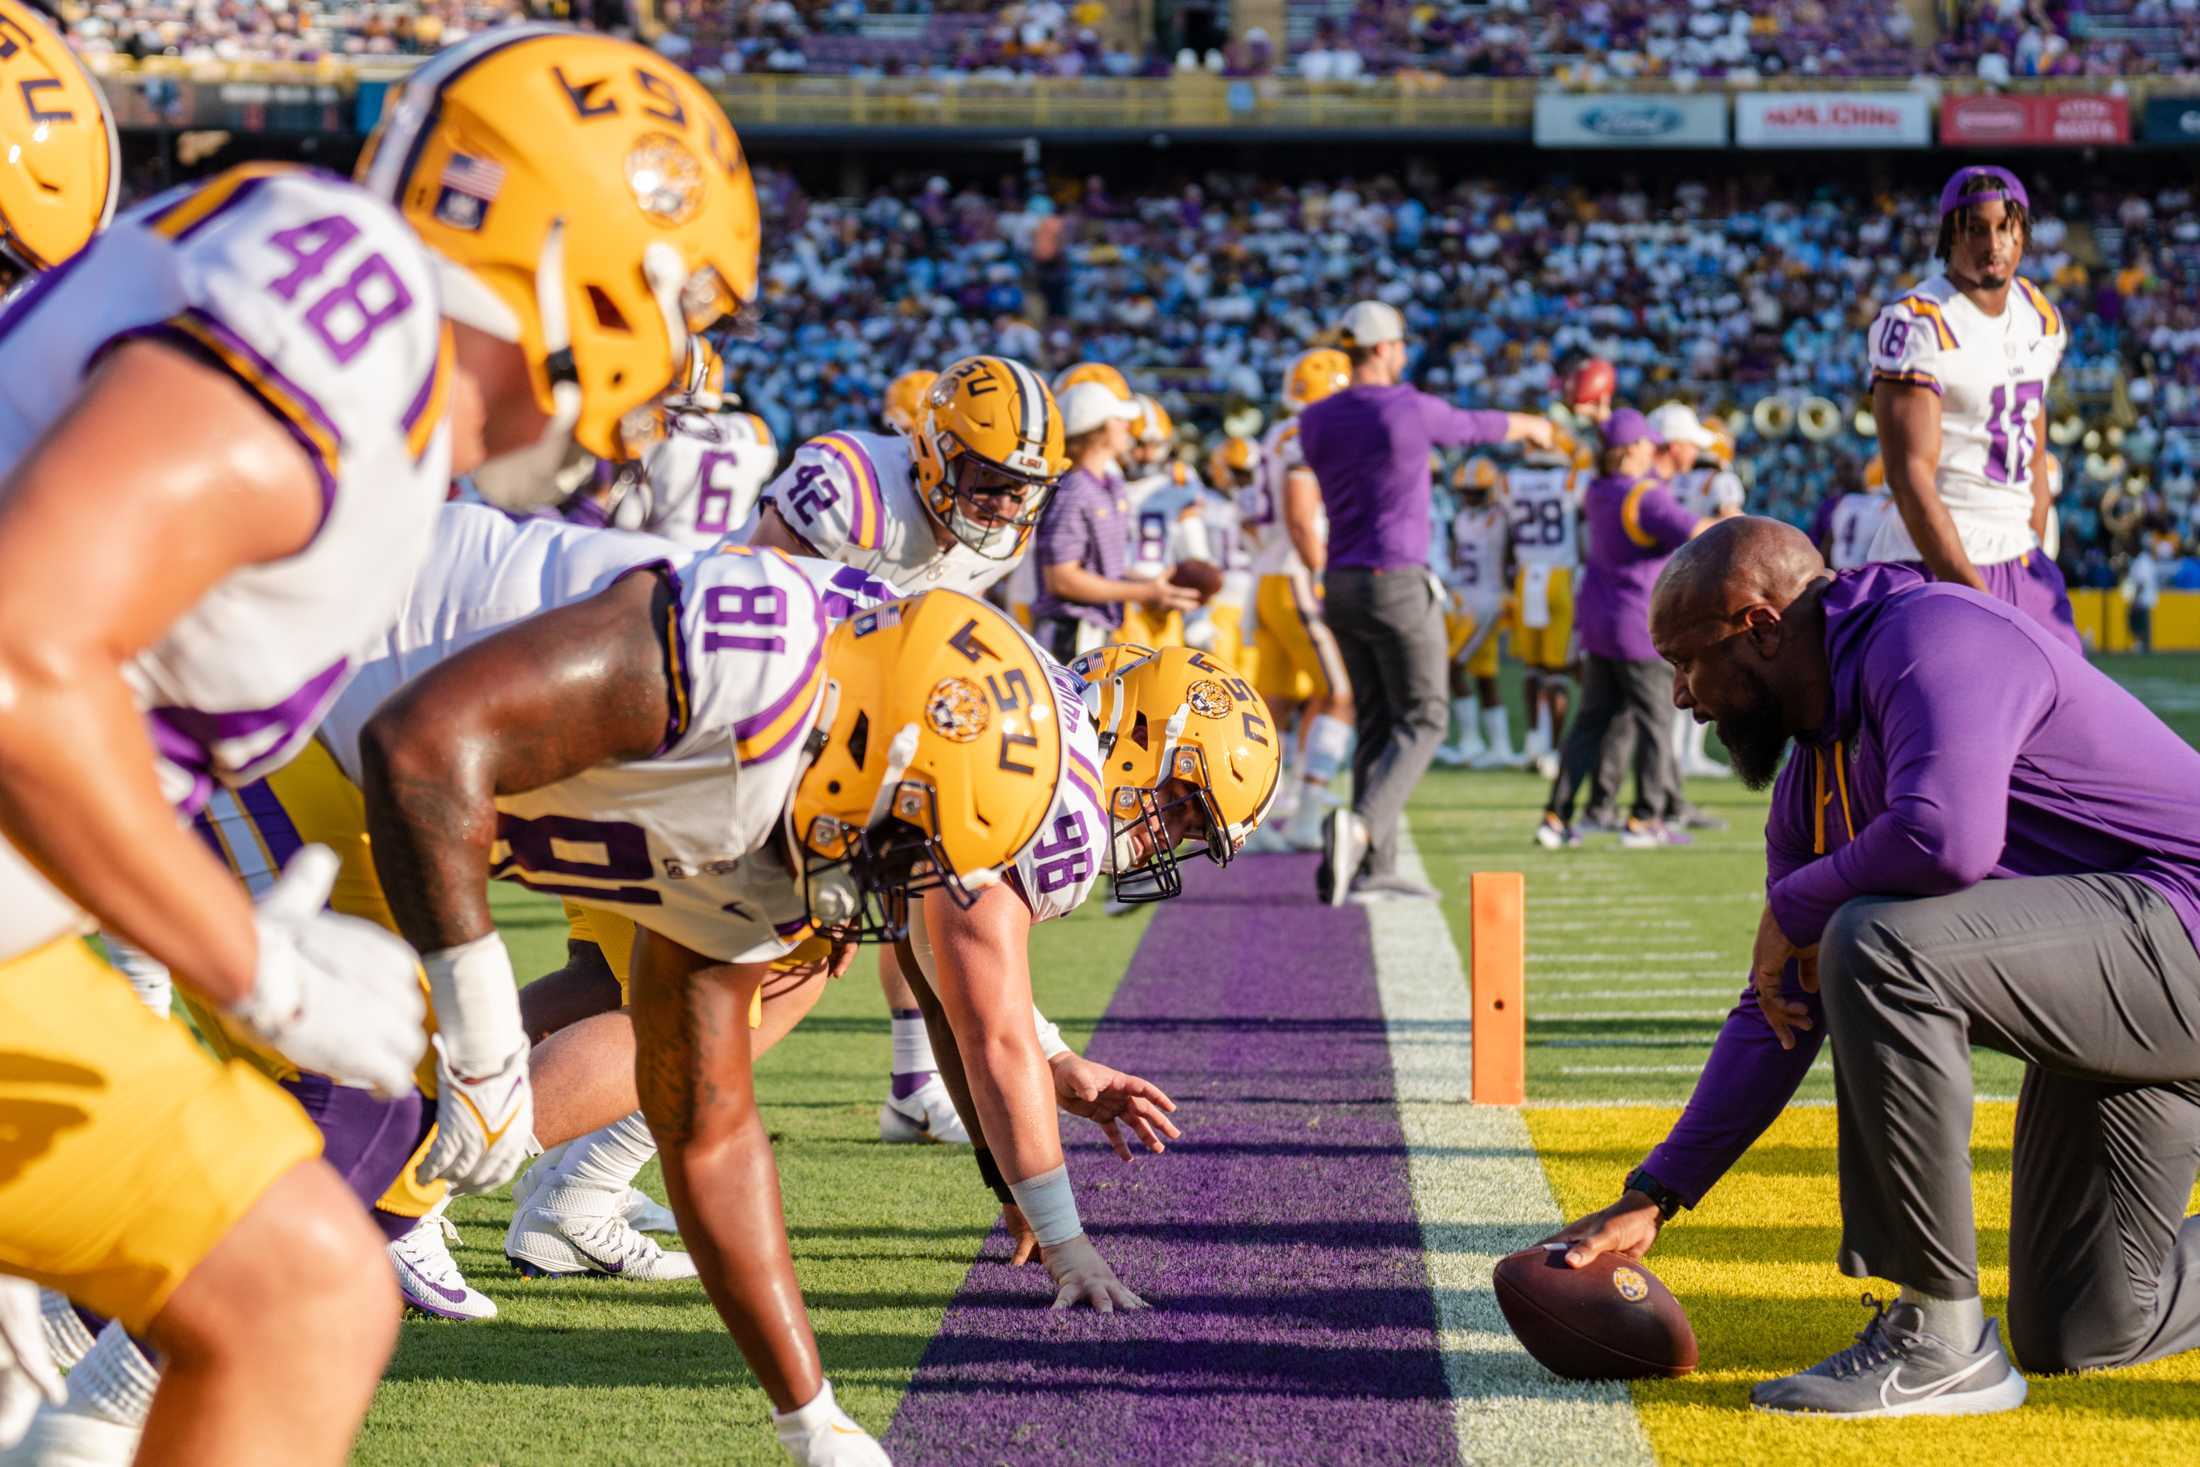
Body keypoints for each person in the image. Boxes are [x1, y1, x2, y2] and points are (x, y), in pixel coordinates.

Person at [0, 21, 762, 1465]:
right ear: (598, 271)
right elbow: (21, 659)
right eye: (681, 309)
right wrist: (256, 966)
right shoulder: (348, 341)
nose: (671, 365)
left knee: (301, 1284)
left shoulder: (377, 380)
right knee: (292, 1285)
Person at [1548, 517, 2200, 1417]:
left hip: (2180, 929)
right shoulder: (1809, 781)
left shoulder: (1933, 635)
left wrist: (1797, 905)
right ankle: (1983, 1334)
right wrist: (1655, 1194)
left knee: (1878, 940)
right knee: (2088, 1329)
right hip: (2127, 986)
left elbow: (1947, 839)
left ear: (1762, 628)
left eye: (1688, 661)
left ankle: (1938, 1337)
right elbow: (1779, 1004)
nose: (1680, 698)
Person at [1297, 300, 1550, 903]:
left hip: (1342, 581)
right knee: (1427, 716)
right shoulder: (1405, 408)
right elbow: (1475, 427)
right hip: (1397, 579)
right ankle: (1359, 831)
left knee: (1379, 722)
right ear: (1384, 348)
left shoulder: (1316, 419)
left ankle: (1372, 867)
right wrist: (1534, 426)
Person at [1868, 165, 2079, 651]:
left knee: (2067, 705)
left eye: (2005, 227)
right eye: (1976, 229)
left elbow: (2033, 436)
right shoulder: (1919, 321)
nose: (1993, 243)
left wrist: (2031, 540)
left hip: (2018, 554)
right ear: (1950, 235)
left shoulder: (2037, 312)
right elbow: (1908, 477)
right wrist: (1970, 593)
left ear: (2023, 232)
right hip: (1936, 559)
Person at [1537, 410, 1707, 849]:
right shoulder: (1644, 496)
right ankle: (1645, 818)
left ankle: (1556, 816)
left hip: (1598, 621)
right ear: (1632, 451)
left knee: (1590, 723)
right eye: (1647, 444)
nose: (1654, 449)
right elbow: (1697, 533)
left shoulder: (1599, 489)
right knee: (1656, 724)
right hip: (1635, 622)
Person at [1246, 348, 1355, 853]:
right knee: (1339, 691)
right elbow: (1299, 515)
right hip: (1294, 575)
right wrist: (1325, 573)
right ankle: (1309, 813)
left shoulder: (1277, 433)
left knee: (1277, 706)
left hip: (1269, 575)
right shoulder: (1307, 435)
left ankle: (1256, 814)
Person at [1029, 379, 1196, 662]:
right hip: (1071, 628)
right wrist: (1144, 591)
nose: (1128, 427)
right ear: (1097, 427)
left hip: (1099, 626)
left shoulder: (1110, 485)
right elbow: (1062, 579)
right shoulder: (1074, 489)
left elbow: (1107, 567)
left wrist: (1157, 584)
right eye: (1119, 419)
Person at [1433, 456, 1519, 768]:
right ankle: (1496, 746)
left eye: (1476, 492)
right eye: (1466, 492)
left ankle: (1474, 741)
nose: (1469, 498)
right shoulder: (1460, 519)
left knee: (1451, 666)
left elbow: (1512, 554)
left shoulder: (1501, 518)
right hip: (1465, 602)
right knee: (1485, 677)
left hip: (1487, 602)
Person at [2126, 535, 2167, 654]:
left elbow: (2141, 583)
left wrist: (2135, 599)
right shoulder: (2147, 561)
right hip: (2147, 598)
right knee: (2144, 625)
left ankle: (2143, 647)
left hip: (2142, 599)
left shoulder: (2141, 561)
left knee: (2140, 625)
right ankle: (2145, 647)